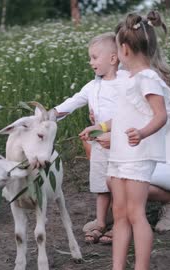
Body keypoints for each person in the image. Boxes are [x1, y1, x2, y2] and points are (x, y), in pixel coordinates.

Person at [105, 11, 170, 270]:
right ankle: (117, 267)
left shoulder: (148, 78)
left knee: (136, 214)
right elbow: (124, 115)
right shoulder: (128, 78)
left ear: (124, 49)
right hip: (122, 154)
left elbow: (161, 115)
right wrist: (102, 128)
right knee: (120, 214)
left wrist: (142, 133)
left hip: (139, 155)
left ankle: (141, 267)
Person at [53, 32, 123, 244]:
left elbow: (128, 115)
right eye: (90, 57)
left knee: (118, 187)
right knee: (102, 186)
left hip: (120, 146)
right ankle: (101, 221)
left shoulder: (124, 83)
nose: (90, 61)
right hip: (101, 146)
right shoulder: (92, 86)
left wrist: (108, 130)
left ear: (113, 58)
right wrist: (49, 115)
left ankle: (120, 224)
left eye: (94, 57)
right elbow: (72, 102)